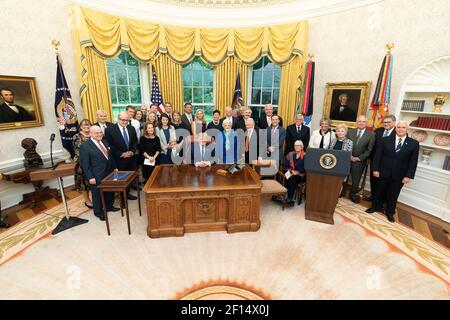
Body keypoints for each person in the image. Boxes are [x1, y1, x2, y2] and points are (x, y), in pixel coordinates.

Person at [366, 121, 419, 223]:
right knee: (378, 191)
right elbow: (378, 156)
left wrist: (408, 176)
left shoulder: (414, 144)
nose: (400, 129)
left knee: (393, 194)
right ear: (395, 128)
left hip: (399, 175)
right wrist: (375, 169)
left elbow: (413, 162)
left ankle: (390, 212)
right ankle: (374, 207)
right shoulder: (385, 140)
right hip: (382, 172)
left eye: (403, 127)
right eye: (398, 127)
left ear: (407, 129)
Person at [80, 126, 120, 221]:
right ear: (90, 134)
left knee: (110, 190)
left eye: (100, 132)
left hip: (109, 172)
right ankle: (98, 212)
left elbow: (110, 157)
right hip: (96, 175)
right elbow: (85, 164)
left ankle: (109, 206)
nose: (99, 135)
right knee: (97, 194)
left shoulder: (105, 142)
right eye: (96, 133)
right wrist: (90, 177)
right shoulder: (85, 146)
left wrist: (114, 167)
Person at [104, 112, 138, 200]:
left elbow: (135, 141)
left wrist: (132, 152)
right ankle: (122, 198)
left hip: (130, 158)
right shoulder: (110, 129)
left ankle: (127, 194)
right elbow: (109, 145)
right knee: (121, 179)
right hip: (118, 159)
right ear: (118, 119)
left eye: (127, 120)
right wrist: (121, 154)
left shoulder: (131, 128)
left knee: (129, 178)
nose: (125, 122)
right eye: (123, 120)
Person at [367, 115, 396, 202]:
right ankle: (373, 197)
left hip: (388, 163)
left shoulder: (397, 133)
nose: (386, 124)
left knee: (384, 182)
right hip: (375, 160)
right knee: (373, 180)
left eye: (388, 122)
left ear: (394, 123)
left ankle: (382, 201)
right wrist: (369, 158)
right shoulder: (378, 131)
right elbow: (372, 146)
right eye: (385, 122)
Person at [347, 115, 375, 202]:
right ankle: (341, 192)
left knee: (356, 180)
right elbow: (346, 144)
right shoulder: (350, 132)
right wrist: (349, 155)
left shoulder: (371, 135)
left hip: (359, 161)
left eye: (363, 122)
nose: (361, 123)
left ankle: (352, 195)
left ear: (366, 123)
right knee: (343, 177)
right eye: (359, 121)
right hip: (347, 159)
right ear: (357, 122)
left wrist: (358, 158)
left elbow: (369, 150)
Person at [72, 119, 94, 209]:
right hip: (82, 163)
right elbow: (81, 149)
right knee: (84, 184)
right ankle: (87, 201)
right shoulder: (77, 136)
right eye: (84, 125)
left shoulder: (93, 135)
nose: (86, 127)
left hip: (94, 162)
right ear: (80, 127)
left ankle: (95, 198)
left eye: (88, 125)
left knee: (93, 182)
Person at [284, 140, 306, 205]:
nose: (297, 147)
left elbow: (305, 167)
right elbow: (286, 165)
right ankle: (285, 195)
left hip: (300, 175)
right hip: (290, 172)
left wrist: (297, 172)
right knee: (288, 176)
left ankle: (289, 197)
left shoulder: (305, 156)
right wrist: (290, 171)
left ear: (302, 147)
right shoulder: (290, 154)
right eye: (295, 145)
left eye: (298, 145)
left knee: (292, 178)